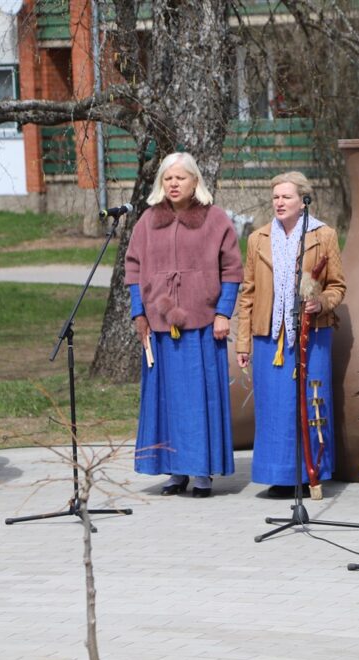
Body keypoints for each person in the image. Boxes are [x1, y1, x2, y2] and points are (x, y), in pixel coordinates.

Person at [125, 152, 243, 499]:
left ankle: (201, 471)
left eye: (181, 178)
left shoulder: (216, 219)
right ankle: (175, 470)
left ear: (195, 182)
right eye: (168, 178)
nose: (174, 184)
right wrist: (139, 314)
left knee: (198, 399)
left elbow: (233, 271)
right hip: (160, 329)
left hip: (203, 325)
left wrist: (224, 312)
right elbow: (133, 271)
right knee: (167, 400)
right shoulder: (147, 221)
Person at [236, 172, 345, 499]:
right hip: (270, 336)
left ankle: (312, 471)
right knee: (274, 407)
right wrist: (243, 342)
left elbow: (338, 286)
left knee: (311, 402)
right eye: (276, 197)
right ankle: (279, 475)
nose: (280, 202)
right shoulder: (259, 238)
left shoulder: (322, 235)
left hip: (312, 335)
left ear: (303, 200)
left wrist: (321, 303)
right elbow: (248, 293)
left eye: (287, 197)